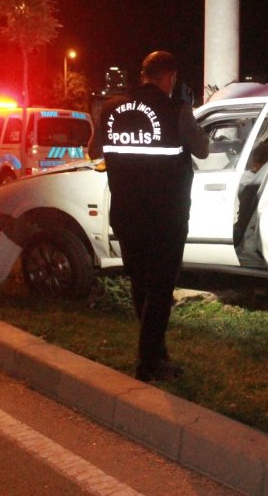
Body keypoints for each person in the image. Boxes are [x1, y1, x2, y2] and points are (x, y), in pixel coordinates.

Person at [89, 51, 209, 382]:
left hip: (126, 214)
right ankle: (148, 364)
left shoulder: (112, 109)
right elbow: (203, 149)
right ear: (169, 76)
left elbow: (93, 151)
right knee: (159, 290)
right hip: (165, 217)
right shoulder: (177, 110)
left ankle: (156, 353)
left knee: (141, 286)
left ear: (143, 74)